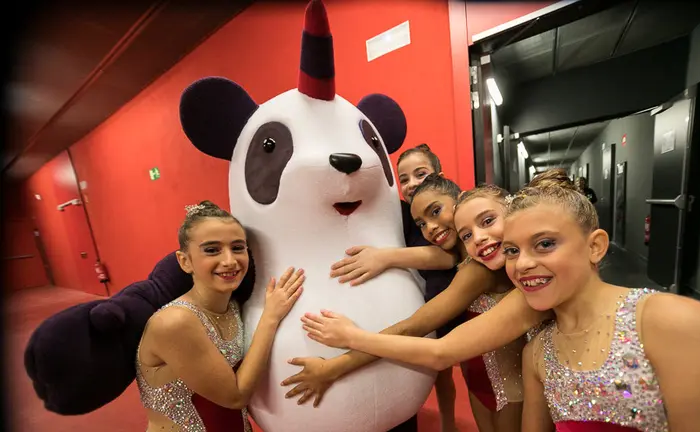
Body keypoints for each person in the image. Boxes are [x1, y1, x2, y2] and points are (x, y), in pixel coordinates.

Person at [505, 169, 700, 431]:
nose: (522, 264)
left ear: (595, 247)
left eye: (545, 244)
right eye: (511, 250)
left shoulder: (674, 323)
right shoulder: (536, 353)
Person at [302, 180, 539, 432]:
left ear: (457, 203)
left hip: (509, 390)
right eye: (421, 224)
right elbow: (443, 258)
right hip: (481, 384)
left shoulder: (479, 271)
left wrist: (335, 365)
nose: (431, 227)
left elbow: (415, 329)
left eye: (435, 211)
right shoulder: (466, 259)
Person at [135, 201, 304, 431]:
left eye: (237, 248)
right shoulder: (174, 322)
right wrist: (270, 317)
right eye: (212, 250)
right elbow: (236, 397)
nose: (229, 261)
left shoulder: (233, 306)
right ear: (185, 261)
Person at [329, 143, 462, 431]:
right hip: (428, 296)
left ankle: (450, 423)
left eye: (421, 174)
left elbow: (447, 256)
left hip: (451, 298)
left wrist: (385, 257)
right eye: (404, 179)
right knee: (440, 372)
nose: (412, 183)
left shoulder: (448, 217)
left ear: (439, 176)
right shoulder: (405, 213)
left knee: (454, 367)